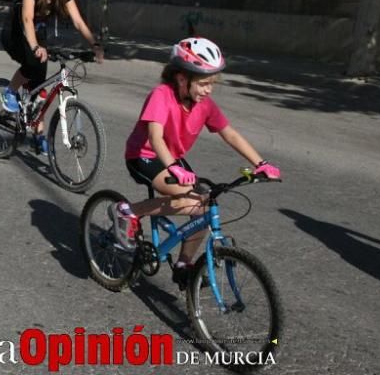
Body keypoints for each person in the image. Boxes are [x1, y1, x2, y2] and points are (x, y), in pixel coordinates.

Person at [113, 37, 282, 290]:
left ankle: (184, 265)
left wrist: (261, 162)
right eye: (203, 83)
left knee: (203, 204)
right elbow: (155, 137)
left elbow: (230, 134)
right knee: (188, 200)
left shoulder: (204, 105)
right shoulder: (162, 95)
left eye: (212, 83)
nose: (208, 89)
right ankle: (128, 211)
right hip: (144, 154)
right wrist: (173, 167)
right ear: (182, 78)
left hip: (171, 159)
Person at [0, 0, 103, 154]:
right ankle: (9, 92)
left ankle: (38, 135)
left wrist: (94, 45)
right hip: (16, 34)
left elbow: (78, 21)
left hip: (38, 35)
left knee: (40, 91)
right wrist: (35, 47)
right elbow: (27, 19)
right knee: (31, 65)